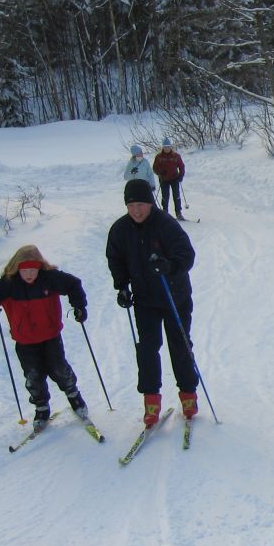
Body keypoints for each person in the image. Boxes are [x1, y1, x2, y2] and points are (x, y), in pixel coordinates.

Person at [106, 178, 198, 425]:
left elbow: (187, 255)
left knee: (179, 344)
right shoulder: (120, 230)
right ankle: (151, 400)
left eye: (141, 204)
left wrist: (170, 266)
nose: (136, 210)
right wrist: (122, 286)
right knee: (147, 348)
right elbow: (115, 259)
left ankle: (188, 394)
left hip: (174, 296)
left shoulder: (165, 224)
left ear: (150, 203)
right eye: (132, 205)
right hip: (145, 299)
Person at [0, 245, 90, 430]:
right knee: (33, 376)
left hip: (50, 335)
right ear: (17, 268)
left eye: (33, 269)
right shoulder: (9, 284)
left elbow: (73, 284)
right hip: (25, 340)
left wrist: (79, 306)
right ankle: (41, 407)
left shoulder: (50, 279)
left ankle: (74, 396)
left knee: (59, 368)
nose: (29, 274)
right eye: (25, 270)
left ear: (40, 267)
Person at [152, 137, 186, 221]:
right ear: (162, 147)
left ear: (170, 147)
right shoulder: (159, 157)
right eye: (165, 147)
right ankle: (165, 212)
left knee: (176, 196)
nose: (167, 148)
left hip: (174, 178)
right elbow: (155, 168)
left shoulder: (176, 156)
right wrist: (160, 172)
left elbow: (181, 166)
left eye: (168, 146)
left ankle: (178, 213)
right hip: (164, 179)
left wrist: (181, 176)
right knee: (165, 196)